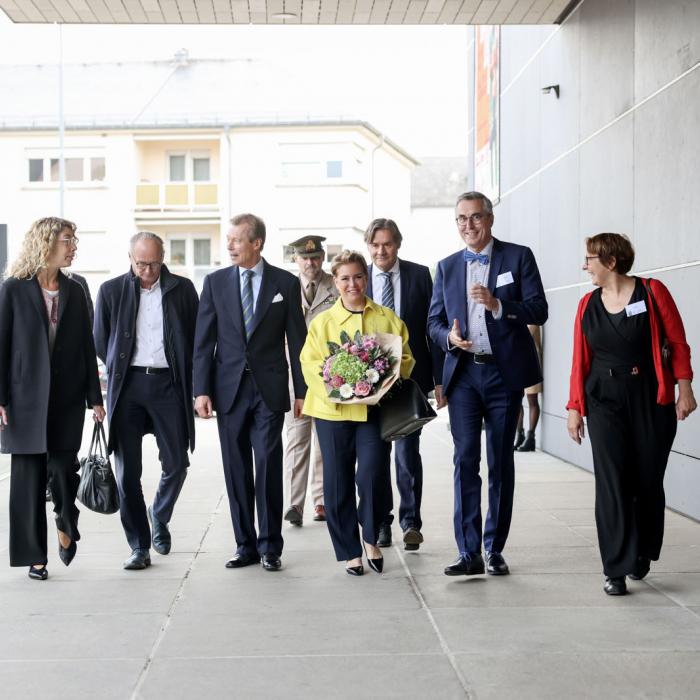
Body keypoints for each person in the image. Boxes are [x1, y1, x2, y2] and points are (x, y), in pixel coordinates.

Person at [567, 233, 696, 596]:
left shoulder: (653, 292)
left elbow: (678, 342)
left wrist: (684, 387)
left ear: (610, 262)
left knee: (647, 480)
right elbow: (580, 360)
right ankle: (615, 566)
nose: (584, 265)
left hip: (650, 398)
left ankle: (642, 550)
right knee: (612, 482)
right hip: (603, 400)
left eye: (590, 258)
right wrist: (575, 407)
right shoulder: (586, 305)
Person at [428, 191, 547, 577]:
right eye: (461, 219)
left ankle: (494, 548)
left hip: (503, 374)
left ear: (490, 219)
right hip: (463, 374)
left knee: (500, 460)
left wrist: (499, 305)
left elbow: (539, 309)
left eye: (475, 217)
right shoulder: (446, 267)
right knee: (465, 460)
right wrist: (450, 338)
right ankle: (468, 553)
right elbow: (433, 323)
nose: (468, 225)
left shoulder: (518, 256)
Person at [193, 214, 307, 572]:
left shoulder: (284, 283)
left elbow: (298, 340)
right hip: (228, 390)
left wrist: (302, 391)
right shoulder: (214, 283)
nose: (229, 246)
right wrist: (201, 390)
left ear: (256, 243)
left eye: (236, 240)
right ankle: (245, 545)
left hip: (269, 390)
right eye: (228, 240)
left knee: (269, 466)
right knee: (236, 468)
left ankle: (271, 546)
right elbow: (203, 341)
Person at [0, 217, 105, 581]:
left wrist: (95, 397)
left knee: (62, 469)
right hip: (23, 398)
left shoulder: (76, 289)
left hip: (66, 397)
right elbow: (2, 344)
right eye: (67, 240)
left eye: (73, 240)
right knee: (27, 477)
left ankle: (65, 516)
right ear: (45, 244)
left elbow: (86, 346)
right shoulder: (13, 289)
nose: (73, 246)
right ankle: (35, 557)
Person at [300, 250, 414, 576]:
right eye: (345, 278)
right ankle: (350, 550)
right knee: (336, 484)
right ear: (335, 282)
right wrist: (339, 388)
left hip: (375, 411)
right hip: (332, 412)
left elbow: (405, 358)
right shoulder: (322, 323)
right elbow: (310, 366)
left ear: (366, 278)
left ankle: (370, 537)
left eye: (358, 276)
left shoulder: (387, 319)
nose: (353, 284)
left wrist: (383, 378)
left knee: (373, 475)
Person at [94, 232, 199, 571]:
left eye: (154, 263)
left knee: (177, 463)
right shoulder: (111, 291)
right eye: (141, 264)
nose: (148, 270)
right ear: (130, 258)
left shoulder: (182, 290)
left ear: (163, 258)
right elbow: (101, 340)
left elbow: (197, 339)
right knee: (127, 476)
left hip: (169, 385)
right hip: (129, 387)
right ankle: (139, 546)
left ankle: (159, 513)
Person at [364, 218, 446, 551]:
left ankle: (411, 522)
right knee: (376, 455)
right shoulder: (360, 278)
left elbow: (433, 329)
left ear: (398, 244)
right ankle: (382, 522)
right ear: (368, 246)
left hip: (409, 380)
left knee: (408, 454)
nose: (381, 250)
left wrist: (440, 380)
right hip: (367, 385)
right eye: (375, 244)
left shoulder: (418, 275)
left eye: (387, 244)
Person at [283, 235, 338, 527]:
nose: (310, 262)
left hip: (329, 374)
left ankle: (322, 501)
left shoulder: (335, 285)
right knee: (297, 438)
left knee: (324, 440)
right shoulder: (286, 287)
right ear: (296, 260)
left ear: (323, 257)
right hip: (295, 375)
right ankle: (294, 503)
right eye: (305, 258)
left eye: (315, 257)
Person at [514, 324, 542, 451]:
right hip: (516, 362)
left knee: (532, 400)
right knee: (516, 400)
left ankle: (531, 438)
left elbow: (525, 335)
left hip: (531, 362)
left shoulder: (532, 316)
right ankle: (519, 434)